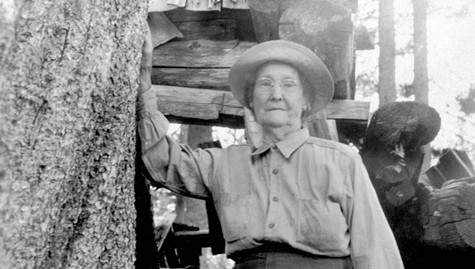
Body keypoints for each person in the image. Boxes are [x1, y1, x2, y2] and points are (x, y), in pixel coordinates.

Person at [137, 25, 404, 269]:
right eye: (265, 84)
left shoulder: (342, 162)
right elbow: (160, 161)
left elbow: (376, 251)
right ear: (251, 101)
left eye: (288, 85)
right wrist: (144, 79)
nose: (276, 94)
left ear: (306, 100)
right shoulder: (222, 164)